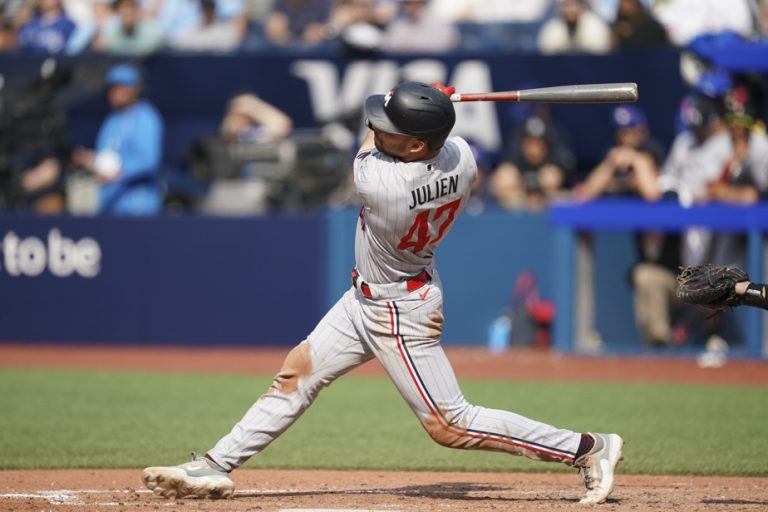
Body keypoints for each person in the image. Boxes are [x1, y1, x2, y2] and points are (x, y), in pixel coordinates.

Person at [141, 81, 624, 505]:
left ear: (415, 146)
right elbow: (442, 138)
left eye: (393, 128)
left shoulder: (381, 182)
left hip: (399, 310)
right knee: (297, 375)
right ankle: (215, 463)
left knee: (450, 425)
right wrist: (436, 105)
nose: (378, 127)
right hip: (367, 298)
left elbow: (369, 138)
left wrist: (437, 103)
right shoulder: (464, 158)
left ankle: (586, 448)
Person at [579, 105, 687, 347]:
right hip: (656, 282)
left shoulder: (671, 190)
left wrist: (636, 158)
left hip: (689, 278)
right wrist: (611, 164)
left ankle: (661, 344)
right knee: (644, 275)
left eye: (639, 168)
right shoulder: (631, 193)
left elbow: (653, 194)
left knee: (646, 275)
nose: (632, 175)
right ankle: (657, 345)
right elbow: (586, 194)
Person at [70, 63, 164, 215]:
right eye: (112, 88)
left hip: (137, 206)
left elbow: (148, 160)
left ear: (134, 90)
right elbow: (106, 157)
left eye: (122, 87)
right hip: (110, 204)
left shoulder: (145, 116)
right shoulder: (111, 121)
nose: (115, 93)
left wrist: (118, 172)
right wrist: (89, 160)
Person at [490, 115, 572, 211]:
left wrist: (550, 193)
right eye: (530, 143)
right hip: (518, 217)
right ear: (523, 144)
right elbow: (497, 187)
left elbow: (576, 197)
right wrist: (523, 197)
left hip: (551, 217)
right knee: (507, 177)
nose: (534, 149)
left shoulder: (557, 162)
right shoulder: (514, 161)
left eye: (539, 143)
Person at [380, 0, 460, 53]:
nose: (410, 7)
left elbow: (440, 48)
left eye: (415, 3)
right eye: (407, 3)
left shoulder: (441, 25)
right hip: (401, 67)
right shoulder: (398, 26)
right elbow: (391, 47)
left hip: (429, 67)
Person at [537, 0, 611, 54]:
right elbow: (547, 57)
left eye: (574, 5)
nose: (571, 10)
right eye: (566, 5)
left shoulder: (596, 26)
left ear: (582, 7)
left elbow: (600, 57)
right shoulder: (551, 28)